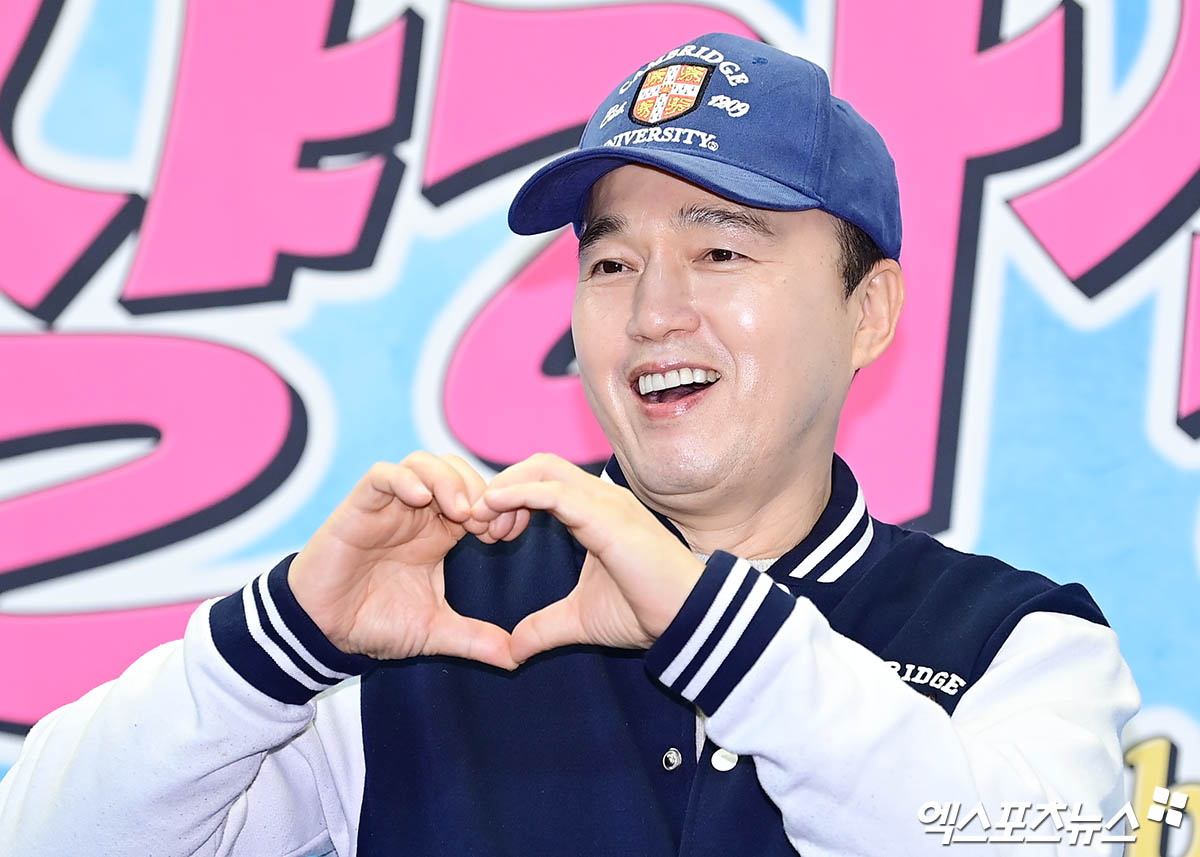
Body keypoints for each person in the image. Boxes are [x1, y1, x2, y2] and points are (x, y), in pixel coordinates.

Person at [0, 32, 1138, 857]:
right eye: (609, 262)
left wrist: (719, 631)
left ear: (869, 311)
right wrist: (278, 640)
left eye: (721, 252)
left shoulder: (1016, 641)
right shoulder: (436, 614)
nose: (653, 312)